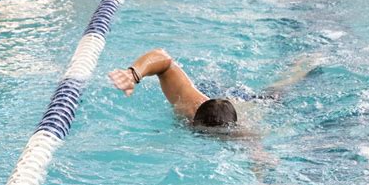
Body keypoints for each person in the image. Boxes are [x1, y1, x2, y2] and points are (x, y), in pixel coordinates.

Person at [108, 47, 318, 132]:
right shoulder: (188, 105)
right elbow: (163, 57)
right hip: (217, 99)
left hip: (250, 103)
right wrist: (134, 74)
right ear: (192, 118)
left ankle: (306, 64)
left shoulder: (242, 133)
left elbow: (259, 156)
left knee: (279, 89)